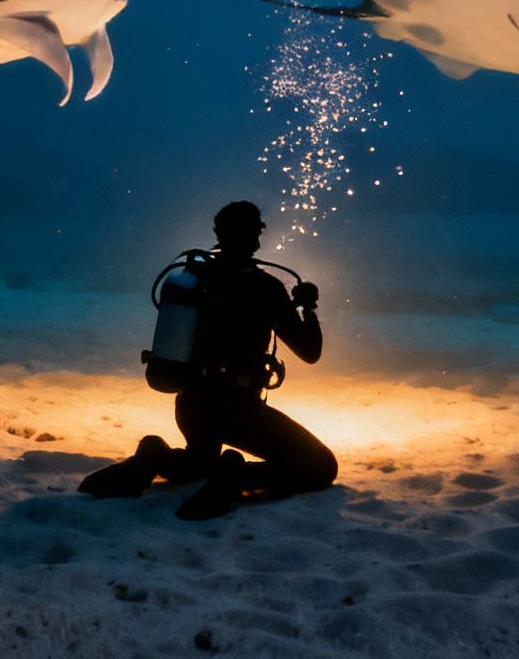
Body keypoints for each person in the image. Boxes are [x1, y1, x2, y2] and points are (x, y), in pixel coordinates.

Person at [79, 200, 338, 520]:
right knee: (321, 467)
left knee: (196, 465)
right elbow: (310, 352)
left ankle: (154, 455)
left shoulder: (194, 278)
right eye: (256, 232)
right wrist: (307, 308)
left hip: (191, 406)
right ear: (254, 237)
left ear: (219, 234)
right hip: (237, 409)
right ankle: (235, 476)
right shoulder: (264, 287)